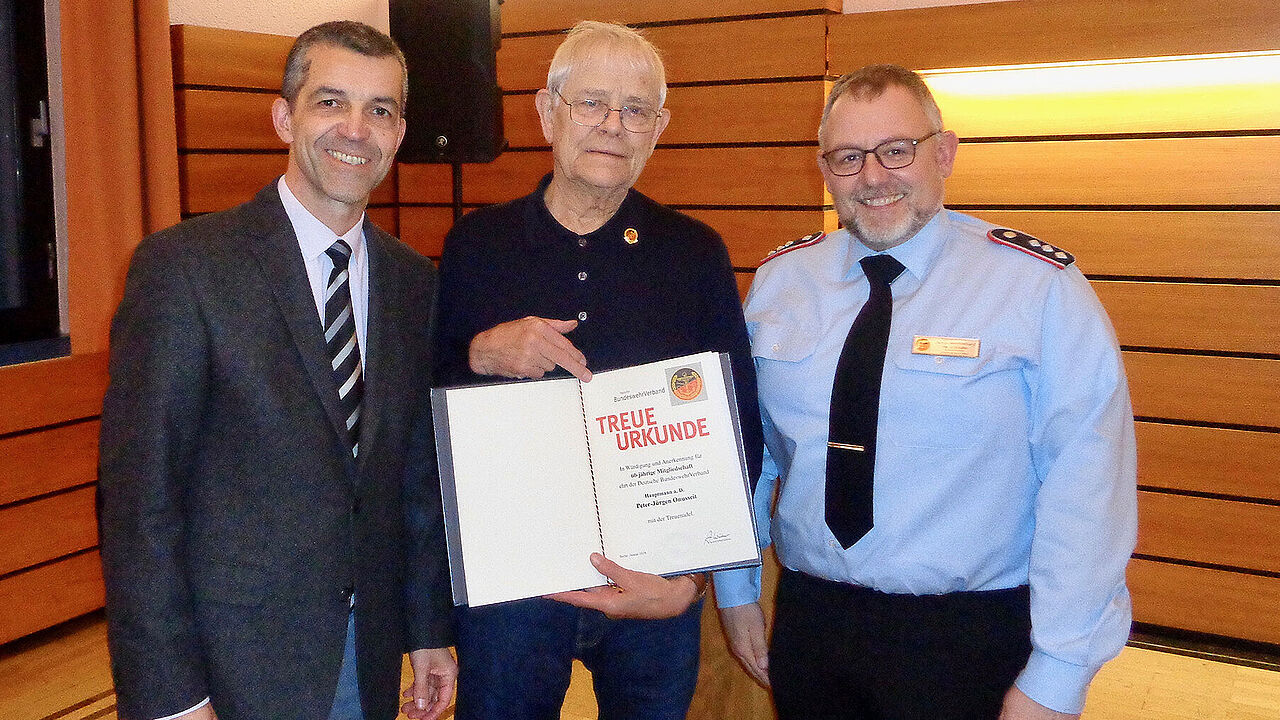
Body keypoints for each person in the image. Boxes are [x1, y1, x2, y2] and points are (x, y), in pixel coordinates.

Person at [714, 64, 1137, 720]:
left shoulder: (1036, 289)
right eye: (849, 157)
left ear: (944, 152)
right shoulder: (780, 283)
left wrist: (1057, 674)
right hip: (811, 621)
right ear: (824, 169)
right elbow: (746, 454)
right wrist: (737, 588)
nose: (874, 177)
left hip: (968, 637)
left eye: (897, 150)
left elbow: (1087, 491)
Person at [97, 21, 455, 720]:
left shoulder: (414, 283)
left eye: (379, 110)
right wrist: (171, 697)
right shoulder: (185, 269)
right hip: (231, 670)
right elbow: (140, 504)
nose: (356, 129)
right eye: (331, 103)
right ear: (284, 116)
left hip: (369, 657)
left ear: (400, 132)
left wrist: (429, 631)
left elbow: (411, 484)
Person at [433, 20, 763, 720]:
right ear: (547, 111)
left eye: (635, 109)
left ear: (658, 127)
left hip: (654, 587)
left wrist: (691, 580)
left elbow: (740, 426)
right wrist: (476, 352)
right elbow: (424, 407)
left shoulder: (695, 253)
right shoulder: (475, 246)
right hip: (513, 590)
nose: (613, 124)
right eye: (591, 103)